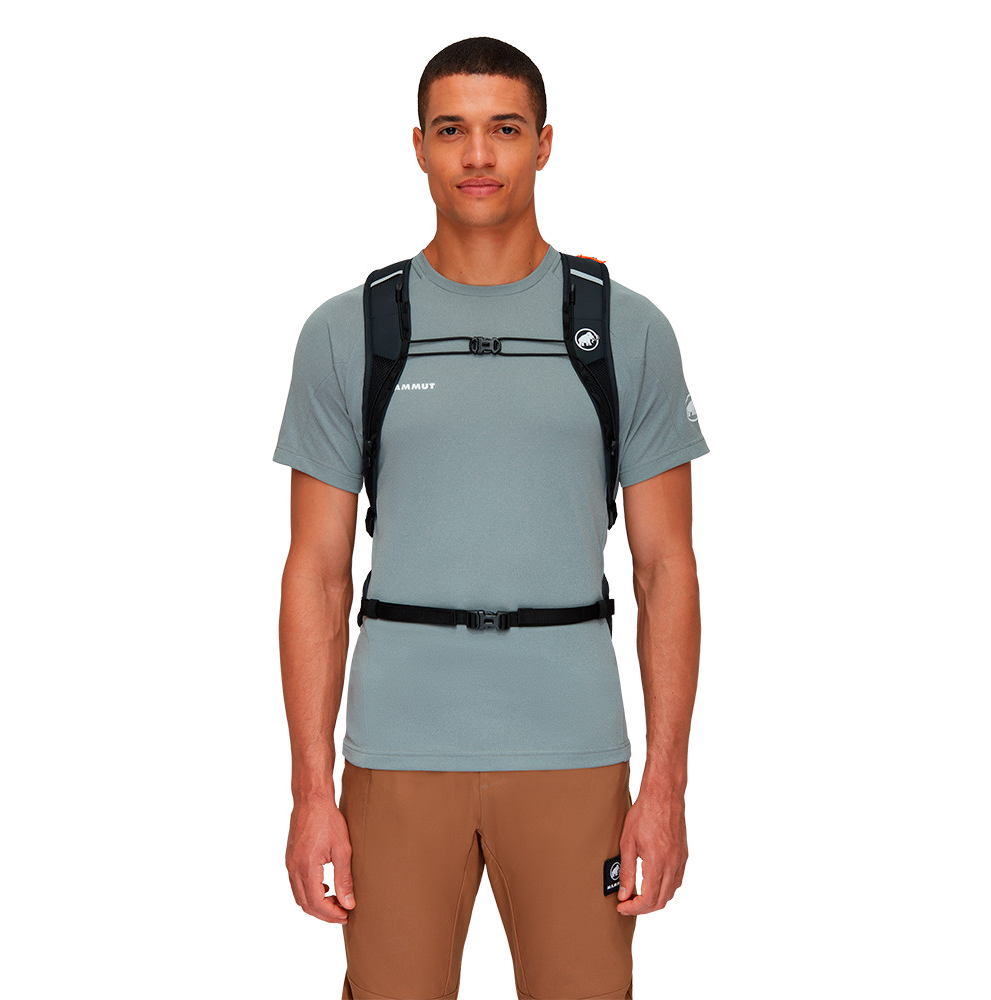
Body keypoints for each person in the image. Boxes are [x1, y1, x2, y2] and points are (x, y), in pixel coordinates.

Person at [273, 36, 710, 1000]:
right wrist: (310, 793)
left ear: (544, 144)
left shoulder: (627, 329)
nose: (478, 155)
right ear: (419, 147)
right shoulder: (348, 332)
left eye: (504, 129)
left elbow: (666, 569)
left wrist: (666, 788)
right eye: (452, 131)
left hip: (573, 753)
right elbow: (316, 573)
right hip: (396, 755)